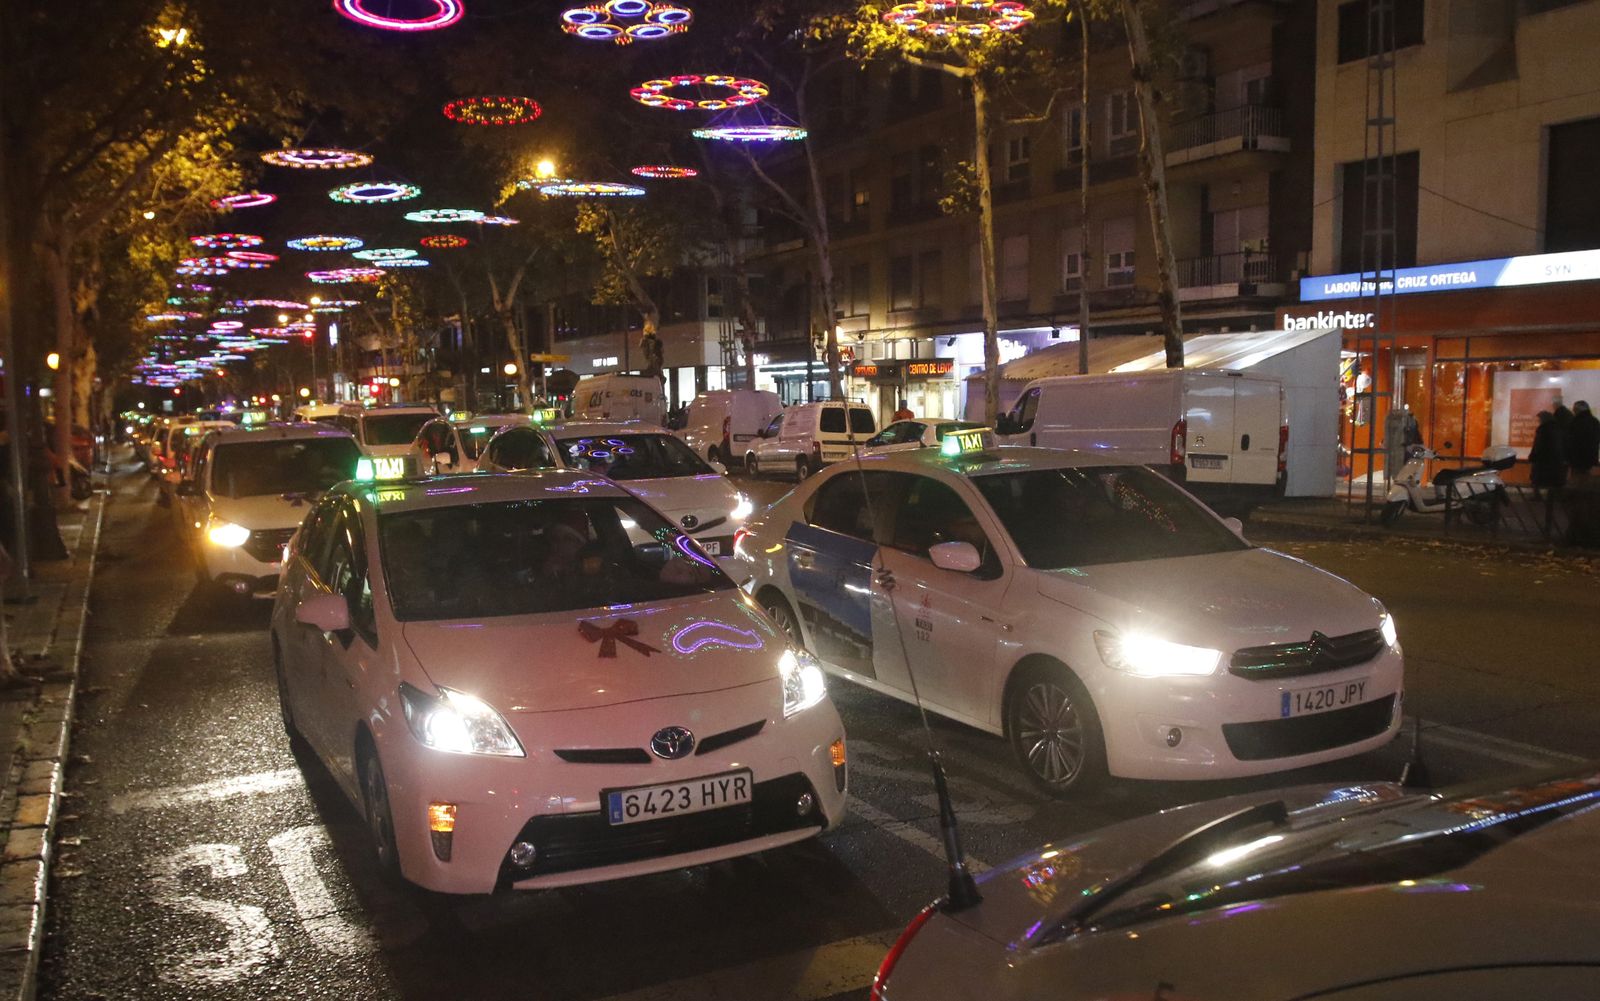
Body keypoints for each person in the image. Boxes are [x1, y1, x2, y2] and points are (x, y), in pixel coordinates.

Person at [1528, 410, 1568, 500]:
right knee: (1554, 479)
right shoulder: (1558, 428)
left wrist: (1533, 455)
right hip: (1556, 459)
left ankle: (1537, 496)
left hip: (1542, 459)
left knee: (1536, 478)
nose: (1539, 421)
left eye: (1540, 419)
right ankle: (1554, 497)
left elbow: (1538, 445)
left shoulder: (1543, 430)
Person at [1568, 400, 1600, 481]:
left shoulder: (1574, 422)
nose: (1573, 410)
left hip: (1577, 460)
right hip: (1592, 459)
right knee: (1590, 484)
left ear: (1578, 410)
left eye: (1574, 409)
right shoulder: (1595, 421)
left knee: (1577, 483)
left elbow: (1570, 441)